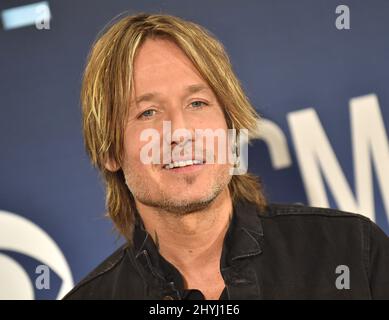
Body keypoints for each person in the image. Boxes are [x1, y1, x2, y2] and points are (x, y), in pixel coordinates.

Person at [64, 13, 389, 300]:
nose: (181, 132)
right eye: (148, 112)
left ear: (229, 123)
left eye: (197, 103)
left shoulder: (351, 250)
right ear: (109, 150)